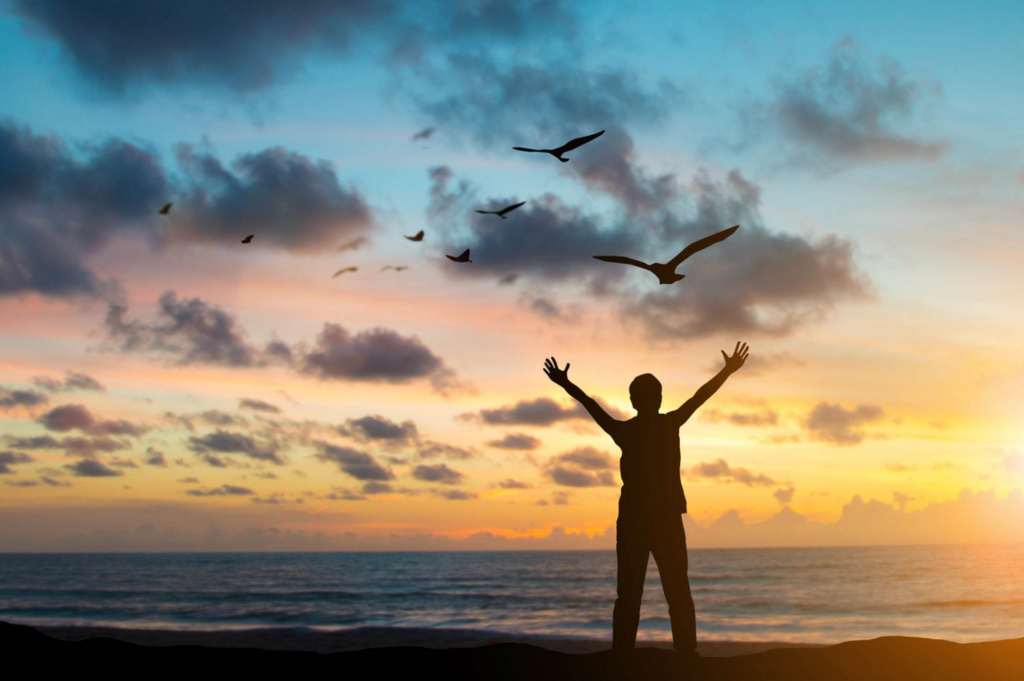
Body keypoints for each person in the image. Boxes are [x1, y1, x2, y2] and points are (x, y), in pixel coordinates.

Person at [542, 342, 750, 656]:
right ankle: (682, 653)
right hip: (655, 519)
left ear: (634, 400)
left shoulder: (629, 430)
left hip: (638, 520)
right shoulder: (667, 423)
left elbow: (591, 405)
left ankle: (628, 652)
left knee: (634, 593)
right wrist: (726, 371)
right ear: (656, 399)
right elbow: (699, 397)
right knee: (672, 590)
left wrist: (566, 383)